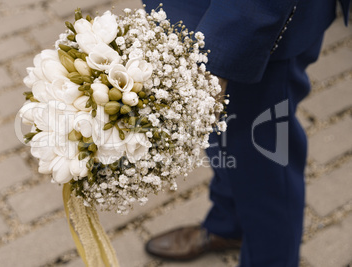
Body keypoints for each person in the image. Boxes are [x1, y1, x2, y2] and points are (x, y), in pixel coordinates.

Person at [142, 0, 351, 266]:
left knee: (264, 162)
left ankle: (271, 258)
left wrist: (219, 57)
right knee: (221, 138)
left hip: (256, 22)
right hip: (191, 12)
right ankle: (229, 224)